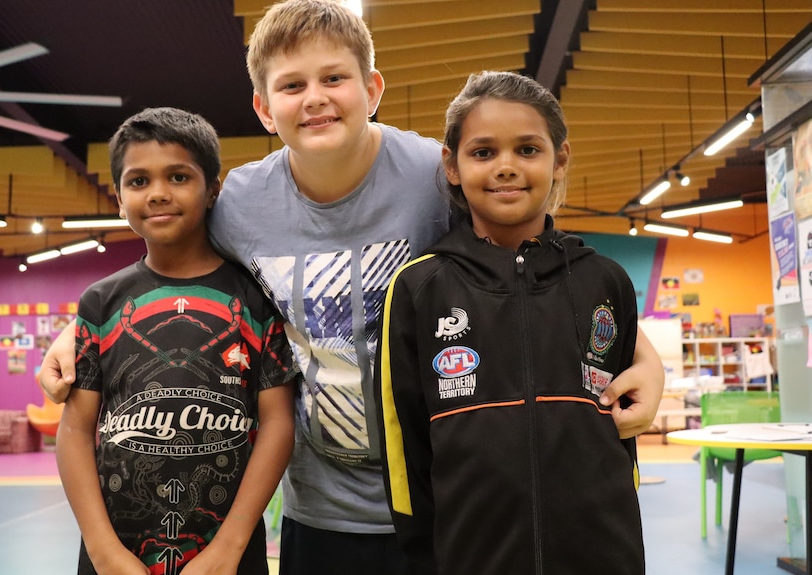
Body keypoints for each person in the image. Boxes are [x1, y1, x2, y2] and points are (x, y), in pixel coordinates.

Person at [42, 2, 664, 573]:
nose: (315, 99)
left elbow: (536, 269)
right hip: (322, 508)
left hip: (443, 494)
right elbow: (172, 262)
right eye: (291, 86)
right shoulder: (241, 206)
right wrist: (78, 331)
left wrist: (643, 356)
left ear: (372, 90)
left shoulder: (433, 176)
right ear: (263, 108)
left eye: (334, 79)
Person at [375, 71, 646, 574]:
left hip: (604, 555)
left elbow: (625, 434)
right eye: (482, 152)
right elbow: (402, 448)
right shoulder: (418, 288)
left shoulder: (605, 281)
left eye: (527, 149)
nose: (505, 167)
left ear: (559, 159)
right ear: (451, 166)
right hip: (470, 558)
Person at [55, 107, 297, 575]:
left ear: (213, 190)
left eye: (179, 176)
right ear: (119, 200)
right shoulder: (100, 303)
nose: (158, 194)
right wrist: (104, 552)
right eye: (138, 181)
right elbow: (76, 430)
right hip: (115, 556)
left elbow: (277, 424)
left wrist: (229, 547)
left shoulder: (255, 298)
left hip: (226, 555)